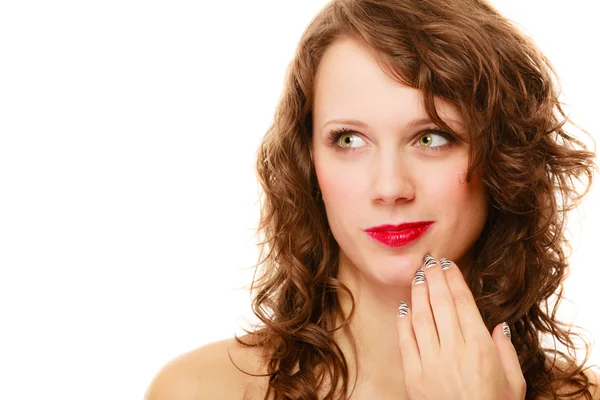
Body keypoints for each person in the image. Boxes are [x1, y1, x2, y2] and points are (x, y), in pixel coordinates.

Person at [145, 0, 599, 398]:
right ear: (308, 164)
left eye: (431, 137)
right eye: (348, 140)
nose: (389, 188)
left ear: (504, 158)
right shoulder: (198, 391)